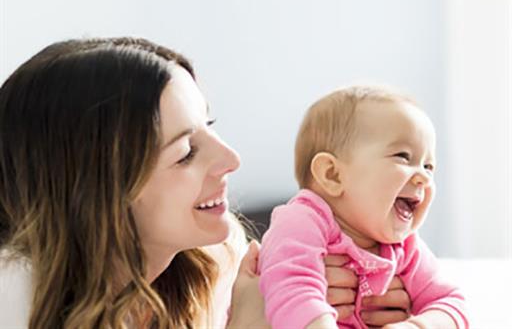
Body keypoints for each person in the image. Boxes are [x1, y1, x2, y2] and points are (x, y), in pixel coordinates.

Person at [0, 38, 411, 328]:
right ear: (95, 191)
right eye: (185, 153)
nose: (230, 160)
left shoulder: (218, 268)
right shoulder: (16, 297)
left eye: (209, 127)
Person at [258, 86, 469, 328]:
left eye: (428, 166)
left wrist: (416, 326)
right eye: (403, 156)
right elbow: (292, 287)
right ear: (333, 175)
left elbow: (452, 303)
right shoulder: (302, 221)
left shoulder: (406, 247)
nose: (423, 176)